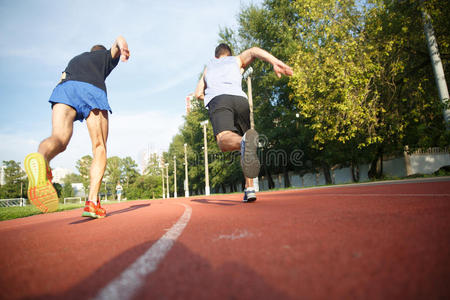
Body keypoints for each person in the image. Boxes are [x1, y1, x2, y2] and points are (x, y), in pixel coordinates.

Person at [24, 36, 130, 218]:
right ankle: (91, 201)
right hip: (91, 91)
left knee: (59, 138)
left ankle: (42, 159)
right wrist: (123, 48)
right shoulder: (103, 56)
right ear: (101, 51)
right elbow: (118, 41)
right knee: (99, 148)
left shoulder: (76, 59)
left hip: (64, 88)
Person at [194, 44, 293, 202]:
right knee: (246, 148)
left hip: (219, 100)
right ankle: (250, 189)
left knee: (224, 140)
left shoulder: (209, 67)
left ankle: (243, 142)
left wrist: (208, 96)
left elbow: (198, 93)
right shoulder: (236, 61)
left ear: (215, 57)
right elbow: (254, 51)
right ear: (229, 54)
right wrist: (275, 61)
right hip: (241, 100)